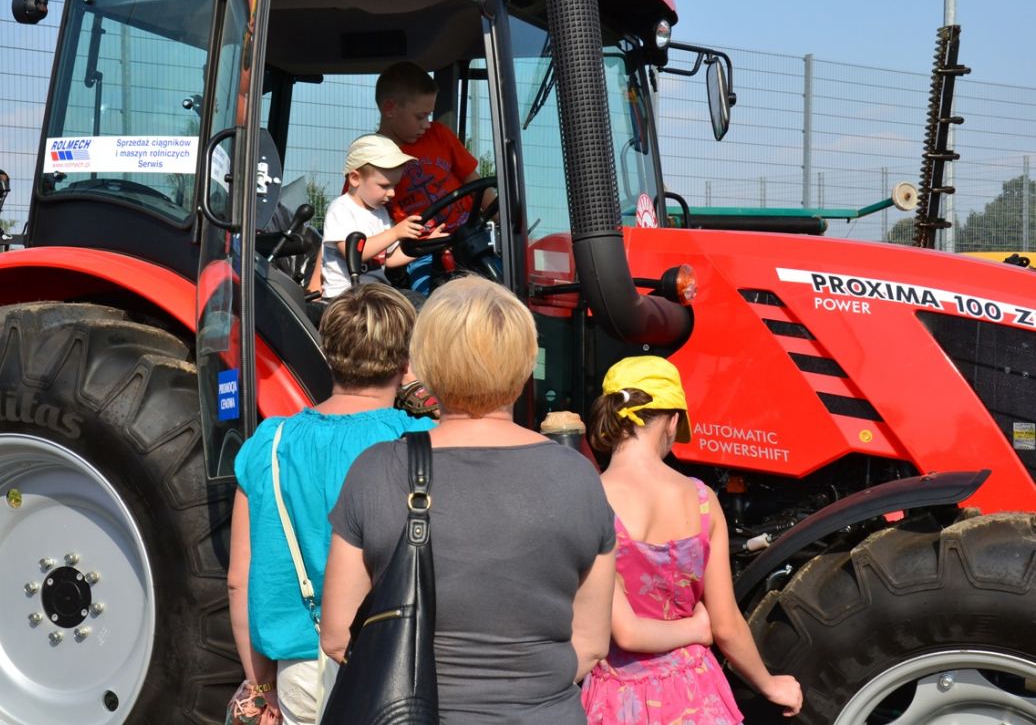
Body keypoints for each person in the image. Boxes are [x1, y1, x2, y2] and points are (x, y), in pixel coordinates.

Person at [321, 276, 616, 725]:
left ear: (425, 365)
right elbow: (592, 643)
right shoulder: (579, 477)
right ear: (523, 363)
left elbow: (340, 637)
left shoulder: (376, 470)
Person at [228, 284, 435, 725]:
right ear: (405, 360)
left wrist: (261, 687)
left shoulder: (268, 443)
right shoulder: (423, 440)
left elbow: (240, 582)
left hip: (301, 672)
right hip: (400, 664)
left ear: (328, 353)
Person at [581, 356, 803, 723]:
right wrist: (770, 684)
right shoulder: (702, 501)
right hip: (695, 694)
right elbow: (726, 624)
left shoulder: (592, 499)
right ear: (671, 421)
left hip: (618, 698)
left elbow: (615, 629)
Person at [374, 61, 491, 293]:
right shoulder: (372, 158)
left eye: (429, 115)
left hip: (471, 235)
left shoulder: (439, 135)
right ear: (390, 109)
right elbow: (353, 212)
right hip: (423, 252)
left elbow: (476, 184)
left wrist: (505, 223)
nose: (427, 124)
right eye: (420, 116)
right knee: (430, 303)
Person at [321, 133, 445, 300]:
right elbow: (357, 254)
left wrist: (425, 245)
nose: (392, 193)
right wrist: (395, 233)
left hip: (377, 294)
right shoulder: (341, 209)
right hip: (345, 298)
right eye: (384, 186)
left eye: (394, 185)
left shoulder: (380, 213)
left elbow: (389, 259)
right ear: (355, 178)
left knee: (421, 304)